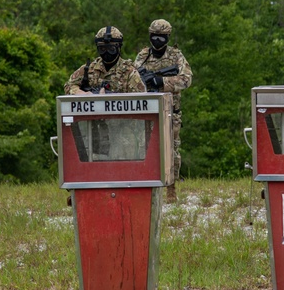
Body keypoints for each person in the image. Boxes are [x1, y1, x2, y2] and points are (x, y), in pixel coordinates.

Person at [134, 19, 192, 202]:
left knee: (172, 150)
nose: (158, 40)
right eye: (154, 36)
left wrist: (162, 82)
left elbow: (186, 79)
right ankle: (148, 186)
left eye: (162, 37)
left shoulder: (176, 56)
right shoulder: (142, 57)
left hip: (170, 111)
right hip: (148, 111)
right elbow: (133, 79)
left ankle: (171, 190)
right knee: (145, 149)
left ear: (168, 37)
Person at [64, 26, 146, 95]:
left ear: (119, 48)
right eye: (102, 49)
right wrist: (83, 94)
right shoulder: (89, 69)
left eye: (111, 49)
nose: (107, 52)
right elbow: (69, 85)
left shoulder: (129, 72)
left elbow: (140, 99)